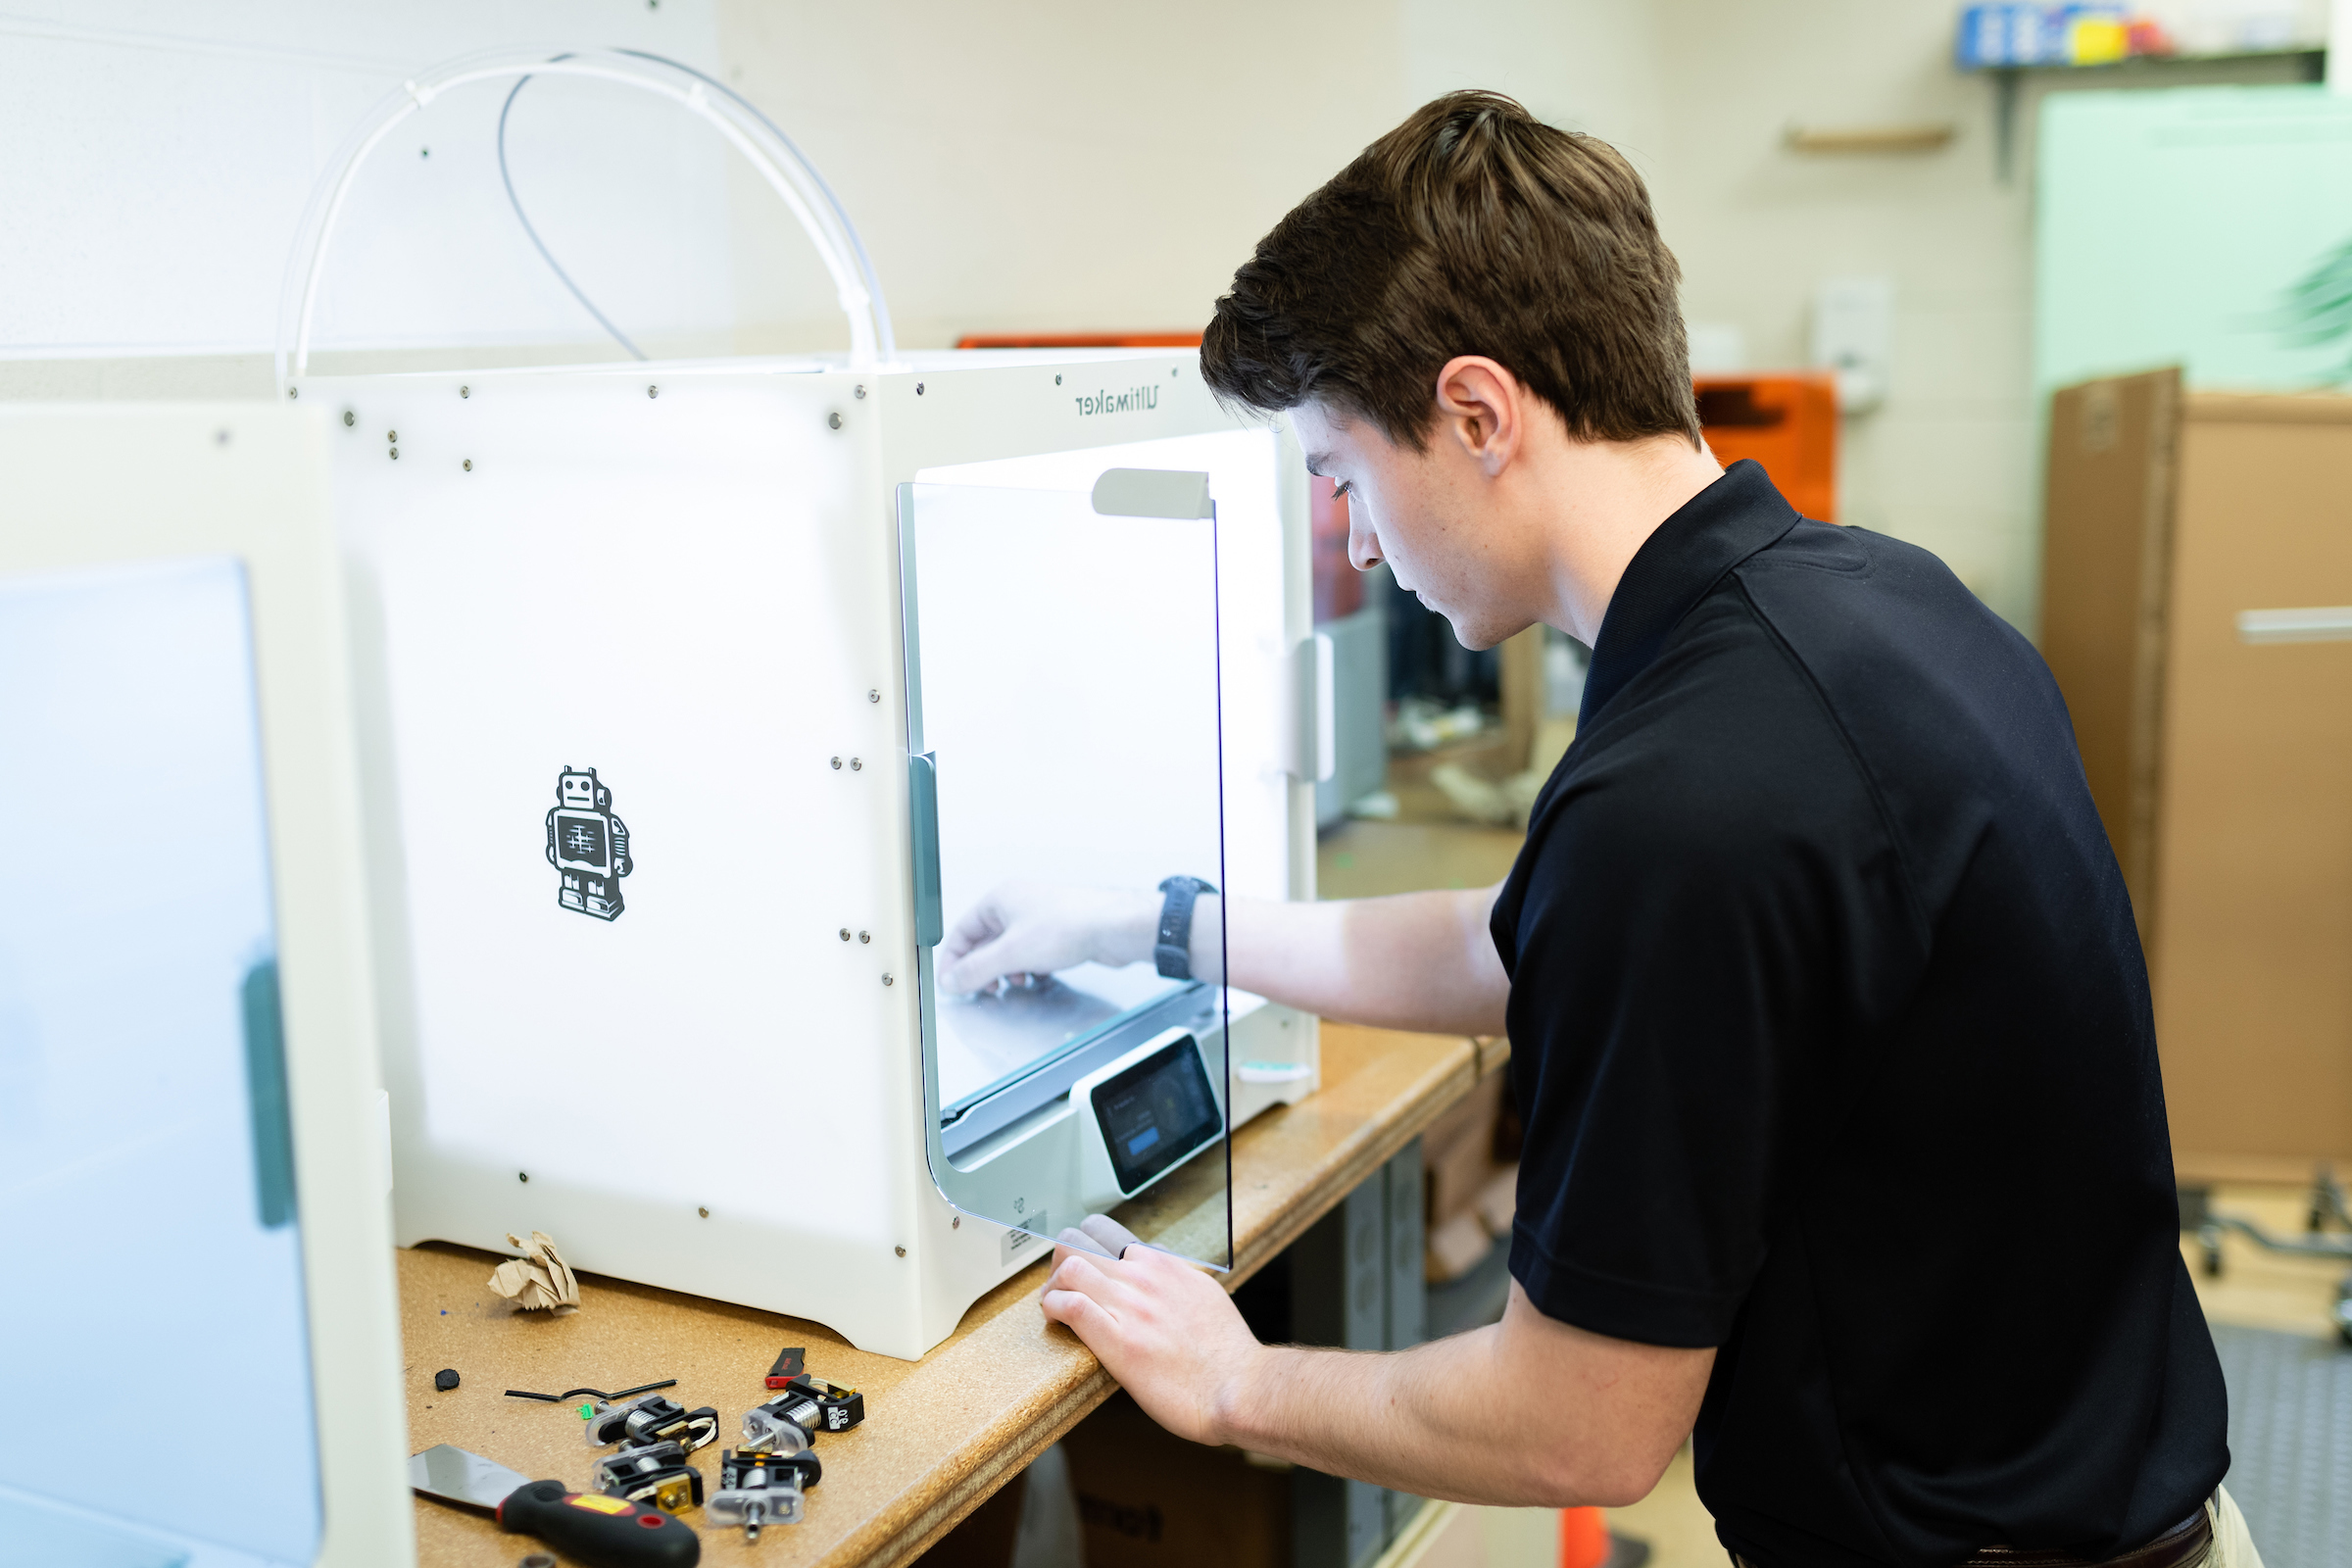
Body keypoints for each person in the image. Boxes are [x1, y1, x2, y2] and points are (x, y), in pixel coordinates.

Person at [940, 93, 2251, 1568]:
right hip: (2122, 1493)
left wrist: (1235, 1382)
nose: (1358, 542)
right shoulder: (1862, 603)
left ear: (1481, 415)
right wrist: (1150, 924)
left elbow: (1580, 1429)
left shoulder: (1690, 800)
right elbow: (1523, 938)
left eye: (1345, 476)